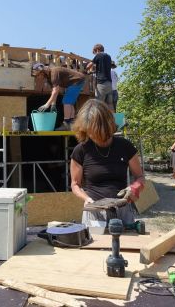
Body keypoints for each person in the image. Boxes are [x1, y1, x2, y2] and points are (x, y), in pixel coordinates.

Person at [70, 99, 145, 227]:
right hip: (94, 211)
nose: (94, 137)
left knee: (126, 246)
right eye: (90, 133)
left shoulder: (125, 146)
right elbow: (75, 184)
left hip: (122, 208)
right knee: (95, 246)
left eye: (97, 132)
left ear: (107, 126)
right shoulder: (81, 150)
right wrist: (86, 199)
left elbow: (140, 177)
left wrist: (134, 188)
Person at [32, 61, 86, 131]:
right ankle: (72, 124)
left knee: (66, 102)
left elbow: (56, 91)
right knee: (70, 102)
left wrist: (47, 104)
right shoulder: (49, 78)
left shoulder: (54, 73)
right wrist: (53, 105)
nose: (37, 77)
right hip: (77, 80)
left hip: (77, 80)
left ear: (43, 72)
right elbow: (54, 92)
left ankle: (66, 124)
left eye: (38, 75)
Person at [86, 44, 113, 108]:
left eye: (94, 53)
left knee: (98, 104)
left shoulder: (99, 55)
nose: (95, 55)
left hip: (101, 83)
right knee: (109, 105)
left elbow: (89, 65)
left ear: (97, 50)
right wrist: (94, 71)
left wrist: (85, 70)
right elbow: (103, 68)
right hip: (109, 83)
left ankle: (98, 118)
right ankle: (112, 118)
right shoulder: (108, 56)